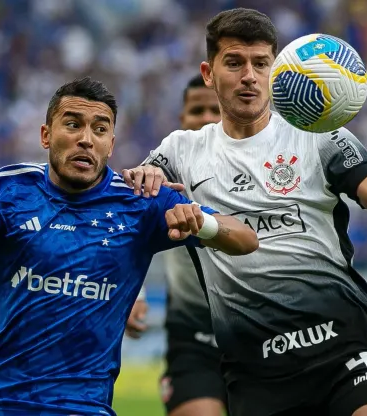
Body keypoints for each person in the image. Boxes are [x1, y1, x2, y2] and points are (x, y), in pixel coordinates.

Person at [122, 8, 367, 416]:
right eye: (235, 63)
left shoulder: (320, 135)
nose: (249, 76)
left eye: (261, 64)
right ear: (208, 73)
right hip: (254, 369)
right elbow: (129, 218)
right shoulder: (180, 152)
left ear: (275, 72)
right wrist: (126, 288)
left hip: (343, 347)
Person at [0, 77, 258, 416]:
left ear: (112, 144)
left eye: (100, 129)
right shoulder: (9, 188)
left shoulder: (140, 201)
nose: (86, 140)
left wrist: (202, 221)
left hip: (81, 407)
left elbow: (245, 238)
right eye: (73, 125)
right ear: (46, 135)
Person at [125, 74, 226, 416]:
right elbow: (126, 229)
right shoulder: (163, 176)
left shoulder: (264, 168)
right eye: (197, 110)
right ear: (181, 121)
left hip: (263, 331)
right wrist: (133, 295)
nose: (208, 118)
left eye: (217, 109)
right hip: (193, 333)